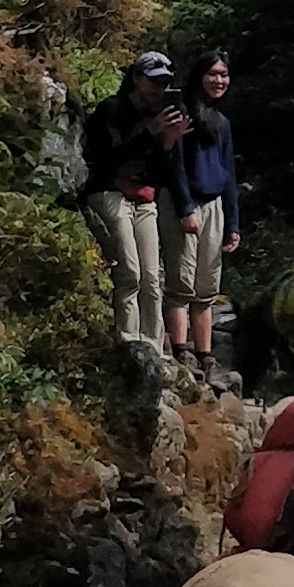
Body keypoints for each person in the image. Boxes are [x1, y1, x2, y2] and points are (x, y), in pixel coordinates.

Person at [77, 50, 186, 359]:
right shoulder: (111, 110)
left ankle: (152, 347)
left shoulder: (158, 116)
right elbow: (104, 159)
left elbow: (160, 175)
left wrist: (166, 143)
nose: (158, 89)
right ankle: (128, 343)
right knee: (130, 272)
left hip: (142, 198)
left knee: (153, 278)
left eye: (164, 83)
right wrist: (149, 134)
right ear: (137, 79)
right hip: (108, 191)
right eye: (153, 81)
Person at [172, 42, 242, 382]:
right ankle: (179, 351)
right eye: (212, 74)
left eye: (224, 74)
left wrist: (233, 223)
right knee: (181, 282)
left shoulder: (221, 122)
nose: (219, 80)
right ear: (199, 77)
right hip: (187, 205)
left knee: (207, 286)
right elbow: (175, 166)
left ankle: (205, 355)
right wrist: (185, 207)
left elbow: (229, 173)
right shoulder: (182, 114)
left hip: (214, 206)